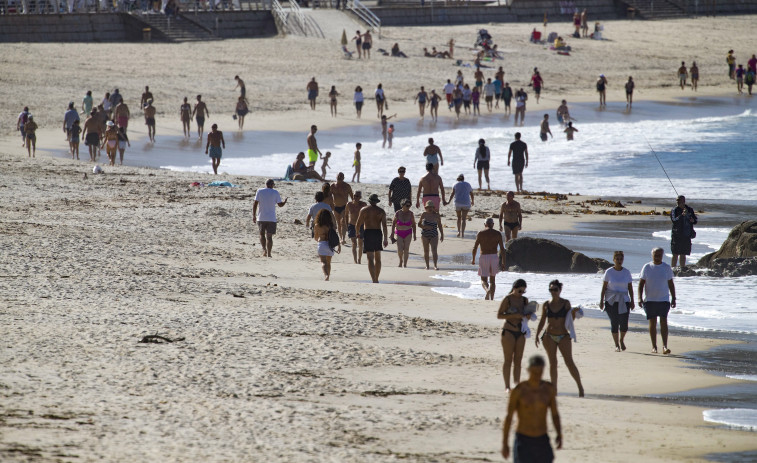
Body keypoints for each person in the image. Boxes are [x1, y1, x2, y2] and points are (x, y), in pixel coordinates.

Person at [501, 355, 562, 462]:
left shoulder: (548, 389)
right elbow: (509, 417)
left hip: (542, 438)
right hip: (523, 439)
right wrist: (505, 443)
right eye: (534, 372)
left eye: (539, 372)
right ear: (528, 370)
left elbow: (555, 414)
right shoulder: (519, 390)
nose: (537, 375)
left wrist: (559, 434)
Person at [535, 280, 585, 397]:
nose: (553, 292)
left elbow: (569, 321)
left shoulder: (566, 303)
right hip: (549, 336)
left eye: (555, 290)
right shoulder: (546, 304)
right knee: (553, 362)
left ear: (560, 290)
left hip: (563, 336)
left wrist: (574, 313)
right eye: (551, 290)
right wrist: (537, 334)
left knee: (569, 362)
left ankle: (580, 387)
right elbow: (543, 320)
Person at [639, 248, 676, 354]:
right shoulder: (647, 267)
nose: (657, 256)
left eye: (659, 254)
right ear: (652, 255)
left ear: (662, 255)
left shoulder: (666, 267)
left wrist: (674, 298)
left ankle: (665, 346)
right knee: (653, 322)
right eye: (655, 254)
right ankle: (654, 346)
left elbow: (671, 284)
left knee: (664, 321)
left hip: (664, 299)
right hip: (650, 299)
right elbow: (641, 284)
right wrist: (639, 298)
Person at [497, 279, 529, 393]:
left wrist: (528, 316)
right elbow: (499, 315)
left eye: (523, 292)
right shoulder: (507, 299)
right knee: (508, 359)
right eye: (520, 291)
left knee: (518, 360)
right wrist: (514, 315)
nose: (521, 294)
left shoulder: (525, 300)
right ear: (514, 288)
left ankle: (516, 384)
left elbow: (527, 315)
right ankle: (507, 386)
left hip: (520, 331)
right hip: (508, 330)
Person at [600, 251, 635, 352]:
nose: (619, 261)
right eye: (617, 259)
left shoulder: (626, 272)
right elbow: (604, 287)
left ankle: (621, 339)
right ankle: (616, 345)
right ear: (613, 260)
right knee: (614, 323)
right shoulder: (609, 272)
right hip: (611, 301)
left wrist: (632, 301)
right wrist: (601, 301)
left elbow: (630, 288)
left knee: (624, 324)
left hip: (624, 300)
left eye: (621, 259)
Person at [355, 194, 388, 283]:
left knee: (370, 258)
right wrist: (385, 239)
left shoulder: (364, 210)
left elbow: (358, 223)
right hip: (377, 233)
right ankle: (376, 278)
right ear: (377, 201)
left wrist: (357, 232)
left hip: (368, 233)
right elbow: (384, 226)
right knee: (378, 258)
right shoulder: (381, 211)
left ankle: (373, 279)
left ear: (369, 201)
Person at [471, 218, 506, 300]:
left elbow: (475, 247)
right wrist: (503, 262)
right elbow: (502, 249)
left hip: (484, 256)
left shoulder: (481, 233)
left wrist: (473, 259)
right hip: (494, 256)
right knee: (493, 281)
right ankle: (492, 298)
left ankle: (487, 290)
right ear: (493, 224)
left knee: (483, 279)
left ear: (485, 224)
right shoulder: (497, 234)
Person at [253, 179, 288, 258]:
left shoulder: (259, 191)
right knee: (269, 237)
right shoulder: (275, 192)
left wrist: (254, 215)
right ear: (272, 185)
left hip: (261, 217)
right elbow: (280, 205)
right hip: (271, 218)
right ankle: (269, 253)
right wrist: (284, 202)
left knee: (262, 235)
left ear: (266, 184)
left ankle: (264, 250)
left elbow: (255, 204)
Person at [670, 195, 697, 267]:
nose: (678, 202)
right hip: (676, 235)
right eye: (677, 201)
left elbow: (695, 220)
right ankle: (673, 269)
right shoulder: (674, 210)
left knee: (683, 253)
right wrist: (682, 215)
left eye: (680, 201)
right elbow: (674, 220)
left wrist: (692, 220)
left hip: (686, 235)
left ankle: (682, 268)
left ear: (684, 201)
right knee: (675, 254)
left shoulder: (690, 209)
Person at [314, 209, 340, 281]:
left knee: (323, 261)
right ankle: (328, 275)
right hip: (330, 245)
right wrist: (339, 246)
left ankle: (326, 275)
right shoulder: (331, 225)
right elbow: (335, 236)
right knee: (328, 262)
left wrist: (318, 239)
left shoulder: (317, 225)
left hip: (322, 243)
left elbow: (316, 237)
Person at [418, 200, 444, 270]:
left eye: (431, 207)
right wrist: (425, 227)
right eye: (428, 207)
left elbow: (440, 225)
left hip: (434, 235)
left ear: (433, 208)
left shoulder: (437, 215)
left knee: (434, 250)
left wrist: (442, 234)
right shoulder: (424, 214)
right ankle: (427, 266)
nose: (429, 209)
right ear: (425, 208)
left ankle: (435, 265)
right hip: (424, 235)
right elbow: (419, 224)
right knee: (426, 251)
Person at [391, 199, 417, 267]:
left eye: (410, 205)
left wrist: (414, 234)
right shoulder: (398, 213)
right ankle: (400, 261)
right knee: (400, 249)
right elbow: (393, 223)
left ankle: (405, 264)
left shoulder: (411, 214)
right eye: (407, 205)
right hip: (399, 233)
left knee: (406, 249)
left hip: (408, 233)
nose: (409, 207)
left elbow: (414, 224)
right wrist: (392, 234)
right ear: (402, 205)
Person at [331, 172, 354, 243]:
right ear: (336, 177)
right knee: (338, 223)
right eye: (338, 176)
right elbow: (329, 196)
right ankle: (341, 238)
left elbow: (352, 196)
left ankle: (343, 238)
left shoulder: (347, 186)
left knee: (343, 222)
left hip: (344, 206)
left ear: (343, 178)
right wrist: (330, 204)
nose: (340, 178)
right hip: (335, 207)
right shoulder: (332, 186)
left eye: (341, 177)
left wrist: (353, 205)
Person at [345, 191, 367, 264]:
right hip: (351, 225)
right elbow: (346, 214)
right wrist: (346, 224)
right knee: (354, 243)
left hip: (360, 225)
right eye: (354, 196)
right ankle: (355, 260)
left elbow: (367, 215)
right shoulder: (349, 204)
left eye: (357, 196)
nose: (355, 197)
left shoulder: (363, 204)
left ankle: (359, 259)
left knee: (360, 243)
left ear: (360, 197)